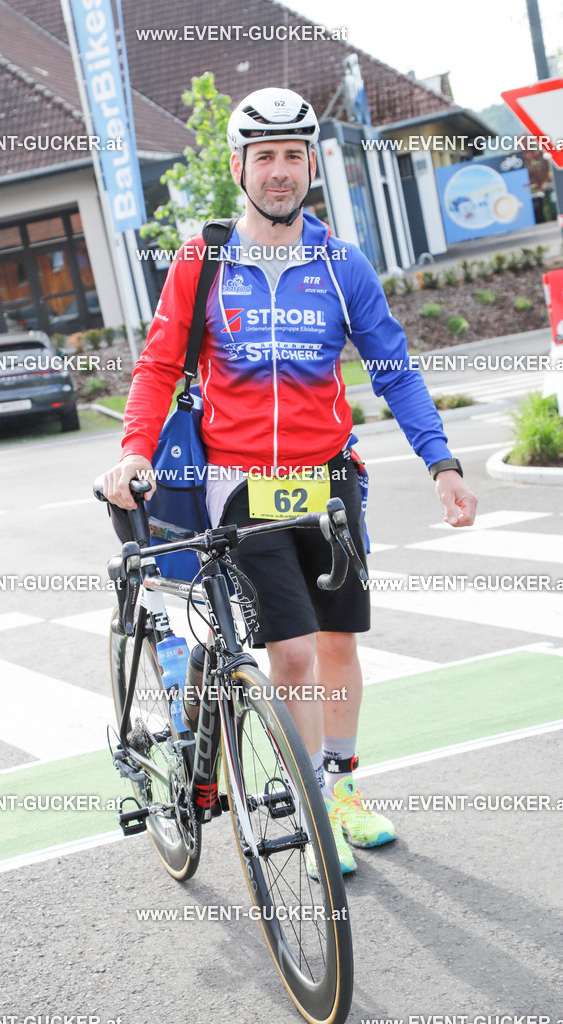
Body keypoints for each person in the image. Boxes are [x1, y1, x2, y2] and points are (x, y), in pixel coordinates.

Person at [104, 87, 477, 874]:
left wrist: (440, 463)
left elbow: (395, 369)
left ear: (312, 164)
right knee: (296, 652)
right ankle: (309, 814)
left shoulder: (341, 266)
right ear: (239, 167)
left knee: (339, 642)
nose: (280, 172)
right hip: (239, 486)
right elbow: (159, 365)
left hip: (329, 479)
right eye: (264, 157)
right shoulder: (203, 262)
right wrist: (136, 449)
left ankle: (340, 788)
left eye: (293, 157)